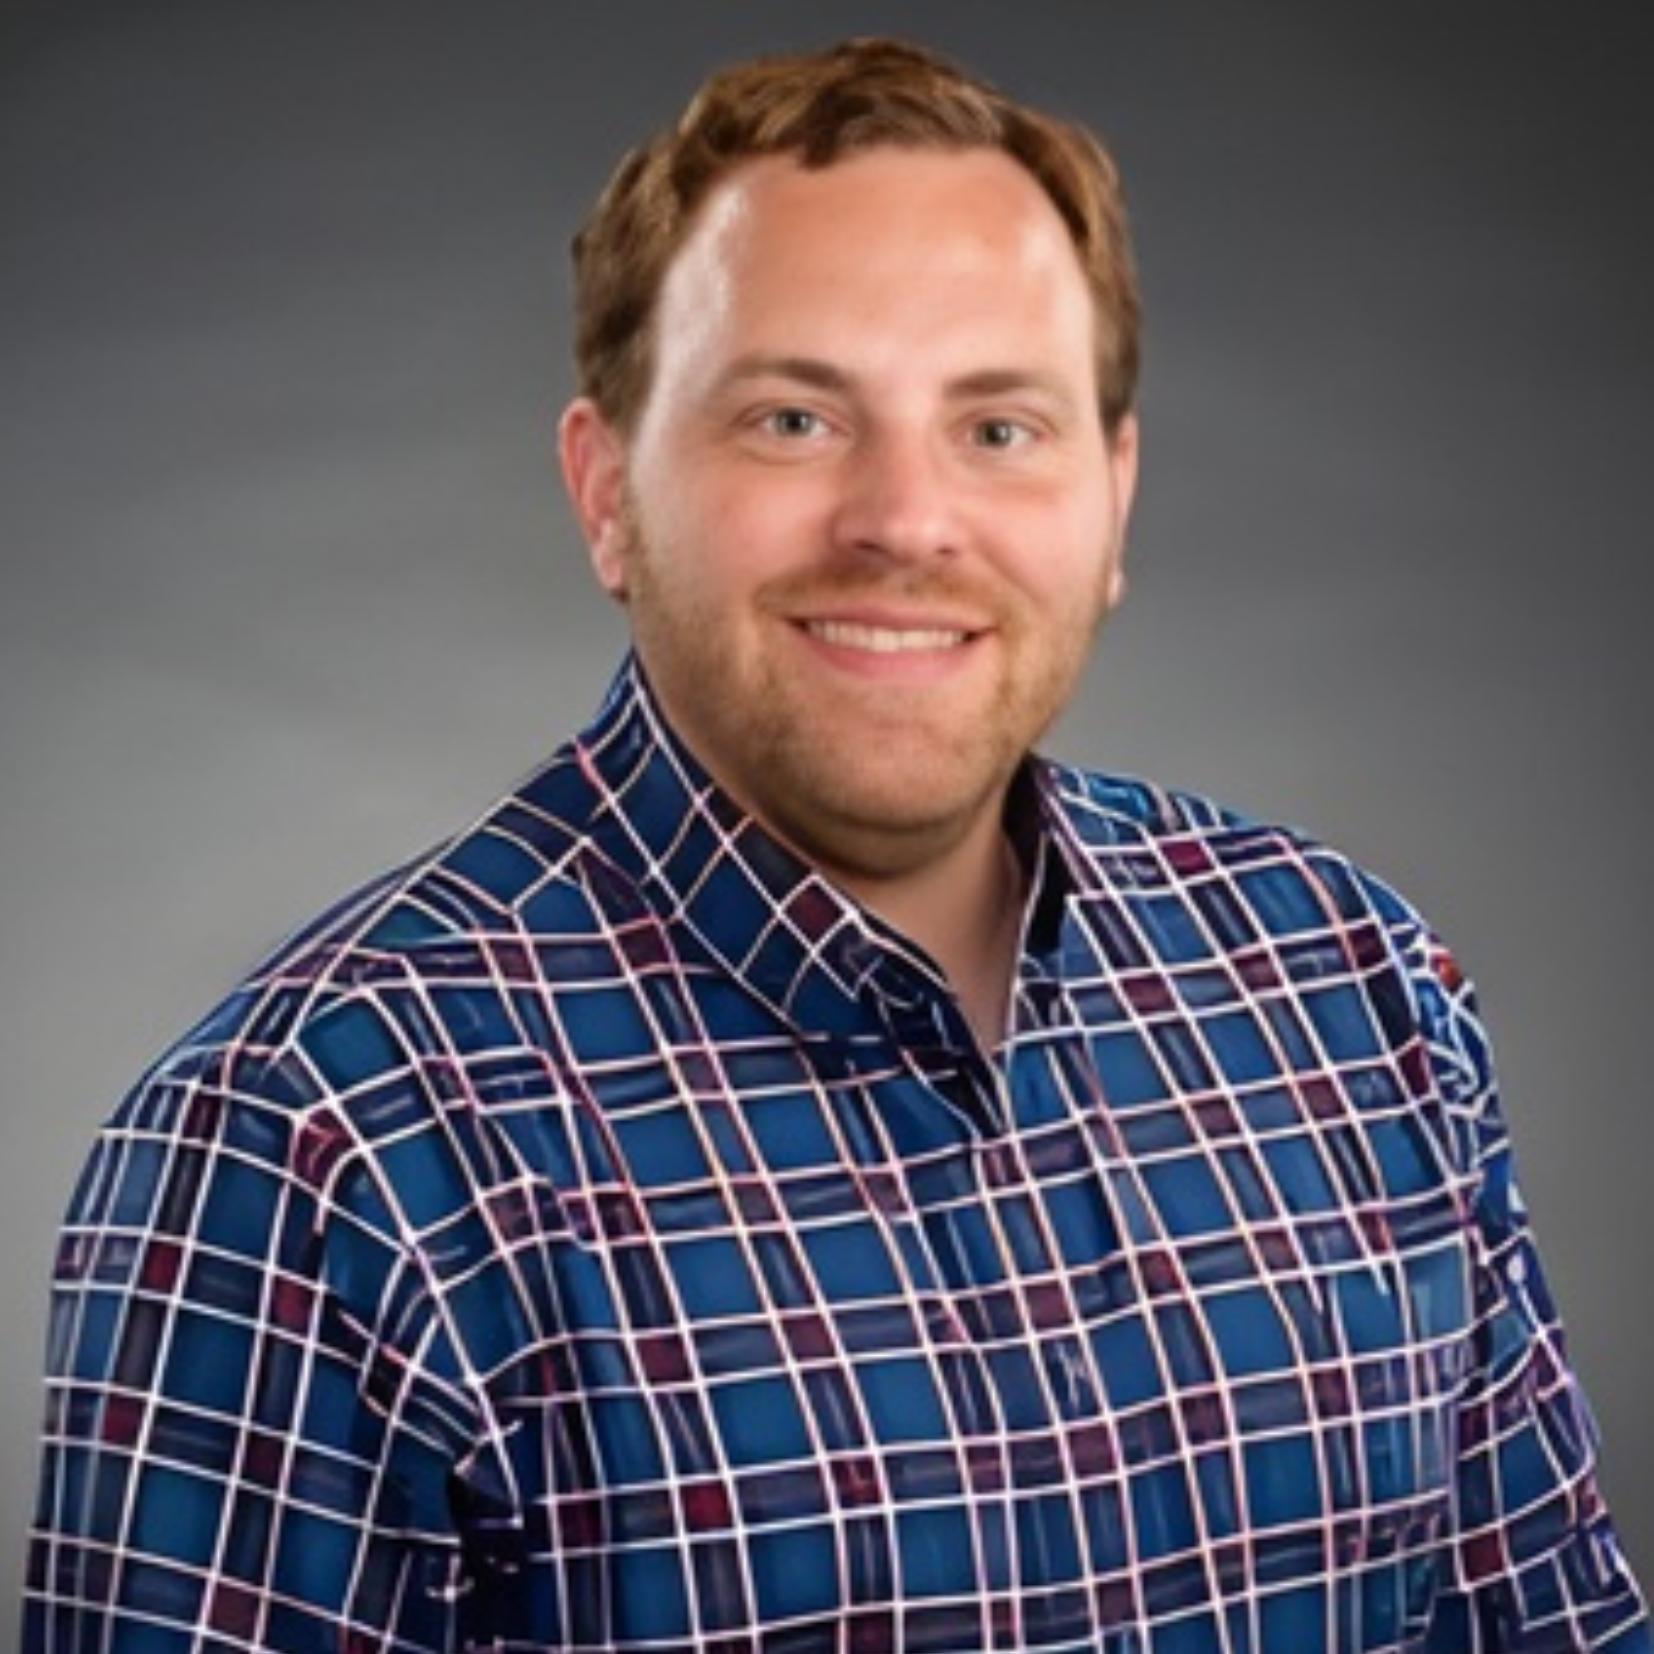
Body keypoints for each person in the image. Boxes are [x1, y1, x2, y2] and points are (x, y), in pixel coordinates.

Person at [20, 33, 1648, 1654]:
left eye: (998, 428)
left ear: (1112, 500)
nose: (905, 520)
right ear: (605, 494)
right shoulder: (316, 1149)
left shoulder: (1352, 988)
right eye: (795, 419)